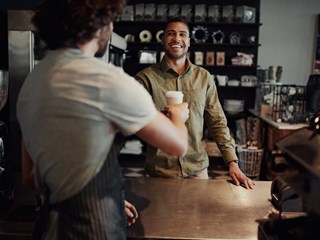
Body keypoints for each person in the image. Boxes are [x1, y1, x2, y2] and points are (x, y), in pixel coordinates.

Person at [17, 1, 189, 239]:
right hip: (93, 230)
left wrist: (109, 198)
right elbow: (178, 145)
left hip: (48, 228)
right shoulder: (106, 80)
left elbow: (31, 176)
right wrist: (178, 114)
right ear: (100, 24)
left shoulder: (32, 82)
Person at [135, 17, 255, 189]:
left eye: (182, 34)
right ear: (163, 40)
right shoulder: (145, 78)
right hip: (159, 172)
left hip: (197, 171)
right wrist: (164, 118)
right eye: (171, 34)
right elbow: (135, 123)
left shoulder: (204, 77)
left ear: (189, 42)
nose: (176, 39)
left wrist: (232, 162)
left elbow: (217, 122)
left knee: (196, 217)